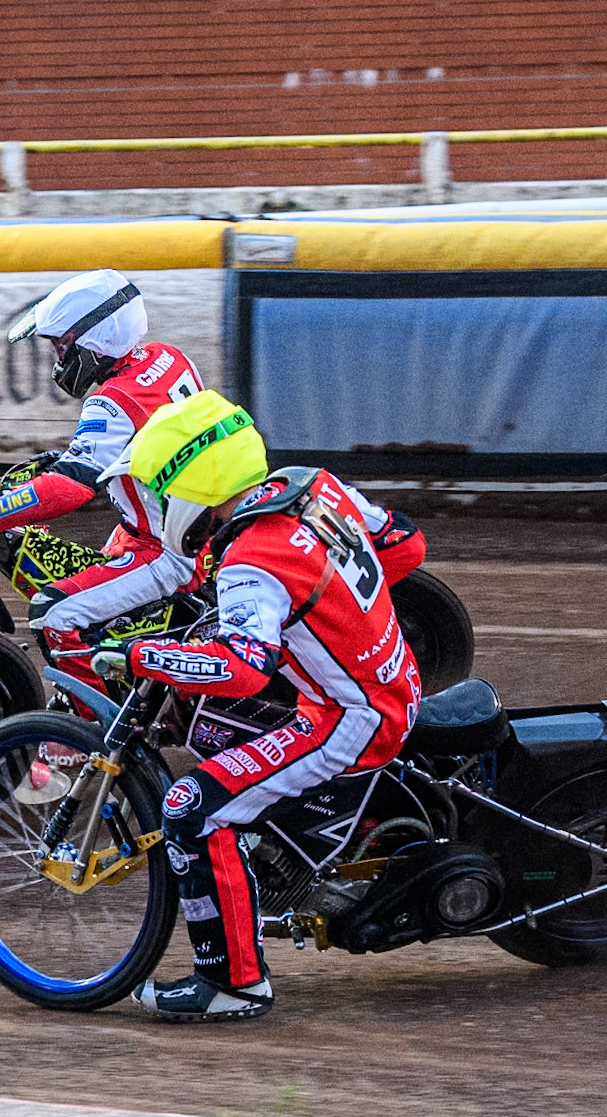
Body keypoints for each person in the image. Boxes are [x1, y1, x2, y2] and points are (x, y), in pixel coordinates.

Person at [87, 390, 427, 1021]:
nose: (159, 510)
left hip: (349, 718)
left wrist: (141, 656)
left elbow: (241, 669)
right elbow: (406, 545)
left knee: (191, 808)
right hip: (391, 676)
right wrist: (333, 613)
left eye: (162, 494)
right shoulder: (315, 488)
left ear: (193, 488)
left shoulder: (248, 562)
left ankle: (234, 984)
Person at [0, 269, 207, 694]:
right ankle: (133, 683)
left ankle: (89, 737)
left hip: (163, 549)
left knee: (53, 612)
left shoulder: (111, 401)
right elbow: (138, 441)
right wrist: (61, 460)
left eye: (62, 346)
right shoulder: (167, 358)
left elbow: (70, 489)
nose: (59, 359)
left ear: (98, 339)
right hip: (186, 524)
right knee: (98, 588)